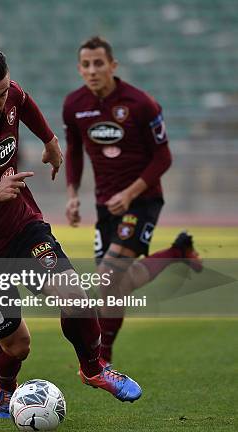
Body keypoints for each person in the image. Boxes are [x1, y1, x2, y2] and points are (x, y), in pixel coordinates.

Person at [0, 46, 142, 420]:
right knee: (17, 344)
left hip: (20, 228)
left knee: (74, 294)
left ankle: (93, 369)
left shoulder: (10, 95)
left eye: (2, 93)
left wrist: (50, 140)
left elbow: (23, 102)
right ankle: (4, 387)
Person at [63, 36, 202, 365]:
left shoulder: (141, 104)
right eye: (86, 65)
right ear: (79, 69)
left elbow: (164, 157)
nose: (93, 70)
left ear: (113, 66)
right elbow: (74, 151)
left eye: (99, 63)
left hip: (142, 201)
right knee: (119, 285)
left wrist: (130, 193)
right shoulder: (74, 105)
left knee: (109, 280)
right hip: (105, 206)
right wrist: (72, 196)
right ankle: (178, 251)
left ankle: (101, 361)